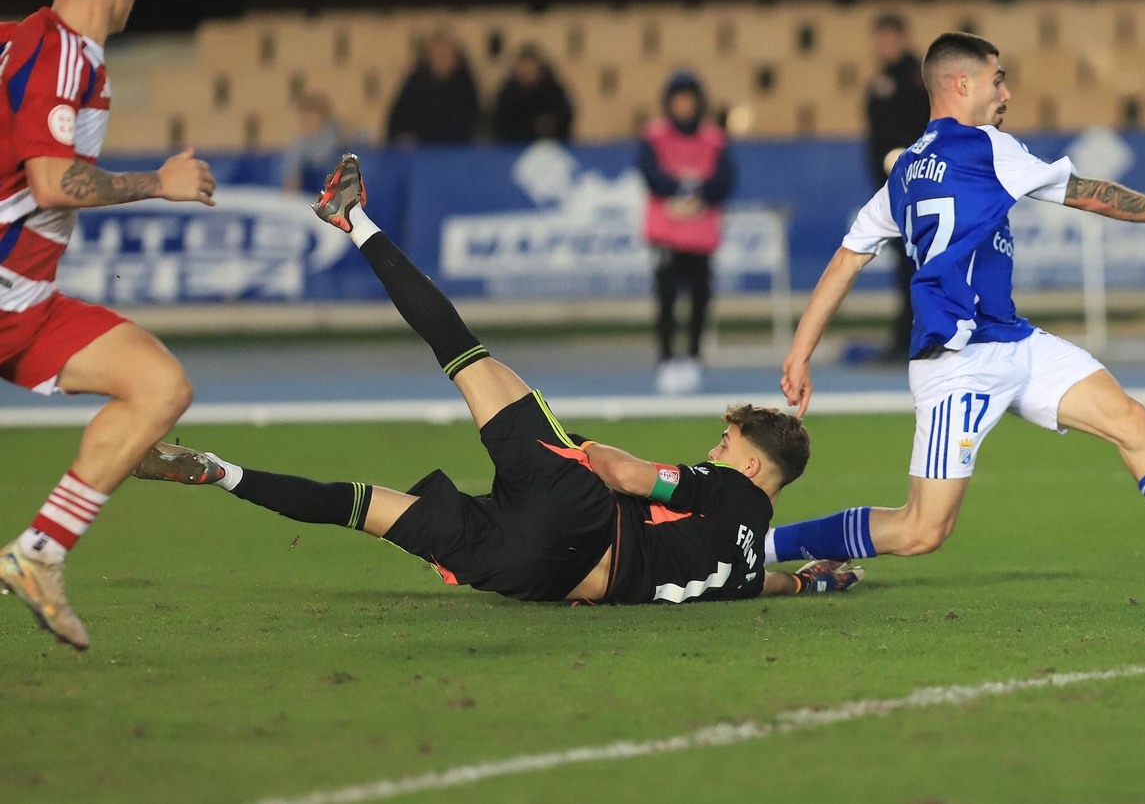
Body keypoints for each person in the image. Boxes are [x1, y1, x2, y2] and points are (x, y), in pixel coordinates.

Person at [134, 154, 860, 606]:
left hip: (578, 517)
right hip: (532, 577)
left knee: (468, 357)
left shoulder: (730, 489)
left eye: (727, 441)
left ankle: (352, 218)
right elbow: (764, 581)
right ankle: (219, 471)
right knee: (363, 508)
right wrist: (809, 580)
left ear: (756, 465)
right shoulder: (739, 569)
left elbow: (638, 478)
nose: (718, 447)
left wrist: (582, 449)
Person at [772, 33, 1145, 590]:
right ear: (962, 84)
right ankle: (763, 544)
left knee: (1129, 420)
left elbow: (847, 260)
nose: (1006, 92)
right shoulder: (985, 146)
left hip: (1014, 341)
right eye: (997, 78)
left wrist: (799, 353)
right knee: (921, 530)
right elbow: (1090, 194)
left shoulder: (906, 172)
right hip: (957, 363)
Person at [0, 0, 216, 650]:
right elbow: (55, 181)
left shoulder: (25, 38)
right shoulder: (61, 55)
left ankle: (39, 554)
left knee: (160, 387)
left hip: (24, 303)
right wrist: (162, 182)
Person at [638, 70, 734, 395]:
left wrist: (700, 196)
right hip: (666, 232)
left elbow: (725, 179)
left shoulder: (713, 139)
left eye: (689, 100)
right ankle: (666, 360)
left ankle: (692, 358)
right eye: (678, 100)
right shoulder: (655, 135)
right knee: (666, 298)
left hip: (701, 234)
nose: (684, 106)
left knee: (699, 299)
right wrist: (678, 191)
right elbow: (649, 173)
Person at [864, 13, 929, 356]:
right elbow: (875, 143)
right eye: (879, 39)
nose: (883, 46)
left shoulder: (920, 78)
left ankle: (922, 334)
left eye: (889, 38)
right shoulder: (878, 82)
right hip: (893, 191)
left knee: (924, 264)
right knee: (906, 266)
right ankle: (909, 334)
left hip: (923, 187)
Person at [385, 29, 479, 145]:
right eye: (436, 53)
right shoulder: (416, 84)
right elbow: (398, 120)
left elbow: (474, 122)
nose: (440, 57)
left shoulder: (465, 85)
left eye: (445, 52)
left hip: (457, 154)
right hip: (420, 155)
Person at [491, 44, 574, 145]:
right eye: (522, 69)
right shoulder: (507, 95)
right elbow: (498, 124)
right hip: (512, 150)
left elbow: (565, 118)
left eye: (530, 68)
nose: (526, 72)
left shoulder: (553, 93)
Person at [279, 91, 349, 193]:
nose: (308, 120)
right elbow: (292, 170)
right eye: (304, 115)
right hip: (312, 191)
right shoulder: (300, 143)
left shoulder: (334, 132)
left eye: (312, 114)